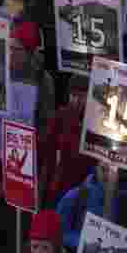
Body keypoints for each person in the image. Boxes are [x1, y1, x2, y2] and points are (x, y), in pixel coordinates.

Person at [55, 162, 127, 253]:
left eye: (114, 171)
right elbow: (58, 232)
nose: (108, 175)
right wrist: (83, 243)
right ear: (96, 167)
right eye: (104, 169)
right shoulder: (76, 196)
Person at [41, 75, 91, 206]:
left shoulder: (94, 124)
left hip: (82, 190)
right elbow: (49, 152)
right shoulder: (61, 116)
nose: (78, 100)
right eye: (74, 95)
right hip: (59, 186)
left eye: (82, 96)